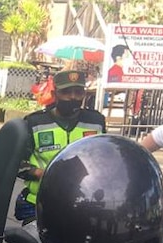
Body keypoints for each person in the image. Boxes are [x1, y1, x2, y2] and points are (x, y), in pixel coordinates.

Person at [16, 70, 105, 224]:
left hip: (85, 204)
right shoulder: (35, 122)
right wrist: (40, 173)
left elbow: (105, 159)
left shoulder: (96, 121)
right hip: (40, 203)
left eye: (78, 92)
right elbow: (15, 163)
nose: (72, 97)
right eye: (66, 92)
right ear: (54, 93)